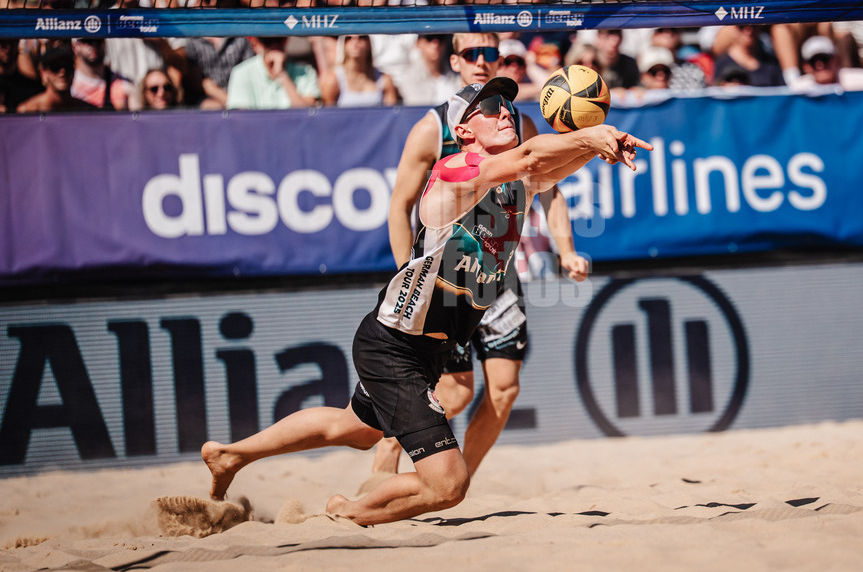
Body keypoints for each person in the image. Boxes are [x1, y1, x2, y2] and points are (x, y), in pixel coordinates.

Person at [200, 76, 652, 526]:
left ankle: (230, 455)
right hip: (394, 345)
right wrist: (589, 135)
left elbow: (546, 169)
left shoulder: (516, 181)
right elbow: (535, 156)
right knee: (448, 485)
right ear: (464, 131)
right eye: (490, 106)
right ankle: (344, 513)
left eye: (506, 104)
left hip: (427, 347)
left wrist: (597, 147)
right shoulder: (453, 175)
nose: (504, 111)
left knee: (352, 429)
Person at [370, 33, 591, 480]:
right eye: (473, 53)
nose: (483, 61)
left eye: (493, 54)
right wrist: (409, 272)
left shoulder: (515, 123)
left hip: (497, 270)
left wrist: (566, 251)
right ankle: (387, 458)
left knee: (505, 389)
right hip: (445, 276)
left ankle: (459, 479)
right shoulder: (434, 127)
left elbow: (549, 191)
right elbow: (399, 207)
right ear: (456, 61)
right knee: (453, 394)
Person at [226, 36, 321, 109]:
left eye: (278, 39)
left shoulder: (306, 71)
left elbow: (308, 117)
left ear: (286, 40)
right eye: (267, 41)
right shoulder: (241, 73)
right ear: (256, 44)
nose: (274, 46)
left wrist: (283, 76)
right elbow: (240, 121)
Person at [322, 34, 400, 107]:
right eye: (349, 38)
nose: (355, 42)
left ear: (369, 43)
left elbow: (392, 115)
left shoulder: (385, 80)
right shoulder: (333, 80)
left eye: (361, 37)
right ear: (344, 44)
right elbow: (329, 117)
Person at [17, 45, 96, 112]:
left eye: (68, 66)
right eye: (55, 67)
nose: (62, 73)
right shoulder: (28, 111)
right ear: (43, 73)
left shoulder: (86, 111)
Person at [70, 37, 132, 110]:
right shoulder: (69, 84)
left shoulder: (124, 85)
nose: (94, 45)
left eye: (98, 40)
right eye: (87, 41)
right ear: (75, 47)